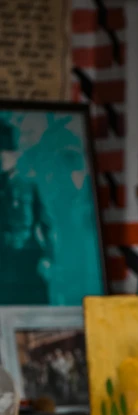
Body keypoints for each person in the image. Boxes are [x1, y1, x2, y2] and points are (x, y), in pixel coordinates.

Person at [0, 120, 55, 305]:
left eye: (6, 151)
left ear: (15, 154)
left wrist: (48, 257)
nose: (2, 157)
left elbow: (46, 225)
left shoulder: (29, 186)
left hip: (27, 262)